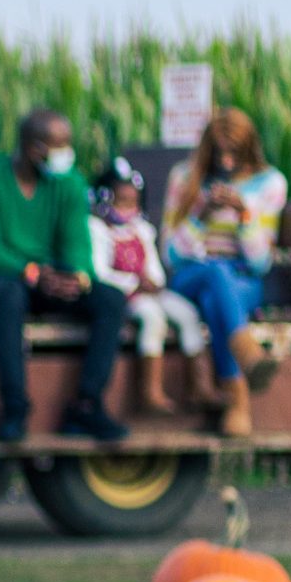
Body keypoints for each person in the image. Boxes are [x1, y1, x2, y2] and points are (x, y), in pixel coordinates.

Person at [0, 108, 129, 444]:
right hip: (12, 276)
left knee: (111, 300)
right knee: (6, 297)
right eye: (60, 146)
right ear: (34, 149)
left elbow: (77, 242)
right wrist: (30, 272)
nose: (66, 153)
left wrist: (77, 278)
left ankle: (87, 404)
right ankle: (14, 407)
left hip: (53, 278)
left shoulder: (71, 183)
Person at [163, 107, 286, 438]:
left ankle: (236, 398)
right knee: (214, 274)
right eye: (219, 154)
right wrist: (201, 215)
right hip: (190, 273)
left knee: (216, 295)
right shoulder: (184, 177)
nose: (227, 163)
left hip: (243, 277)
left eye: (235, 154)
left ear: (249, 150)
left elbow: (261, 263)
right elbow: (170, 254)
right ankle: (244, 360)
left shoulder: (270, 183)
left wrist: (244, 216)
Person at [89, 160, 204, 414]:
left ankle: (198, 386)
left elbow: (154, 269)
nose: (127, 208)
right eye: (121, 201)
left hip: (150, 291)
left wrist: (153, 281)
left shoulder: (142, 230)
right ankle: (150, 391)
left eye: (132, 202)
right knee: (153, 319)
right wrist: (132, 282)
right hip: (126, 296)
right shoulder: (97, 230)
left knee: (186, 314)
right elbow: (99, 272)